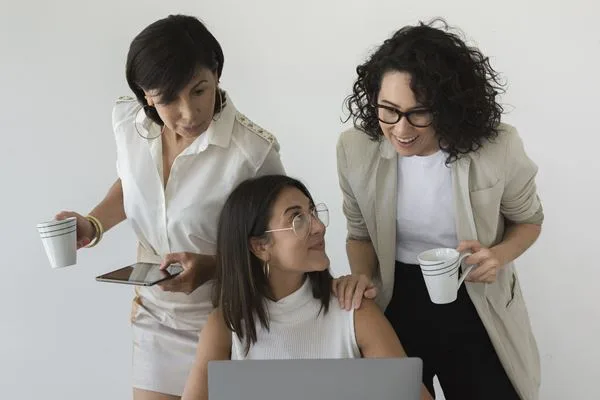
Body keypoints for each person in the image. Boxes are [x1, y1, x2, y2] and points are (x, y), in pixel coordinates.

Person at [55, 15, 285, 400]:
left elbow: (279, 248)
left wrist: (211, 267)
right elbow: (134, 182)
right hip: (155, 316)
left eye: (199, 90)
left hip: (230, 319)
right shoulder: (127, 122)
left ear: (217, 73)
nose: (189, 113)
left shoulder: (254, 153)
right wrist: (93, 224)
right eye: (167, 99)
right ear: (146, 95)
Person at [334, 19, 543, 400]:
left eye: (419, 113)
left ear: (449, 106)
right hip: (396, 296)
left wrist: (496, 256)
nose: (401, 129)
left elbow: (528, 221)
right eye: (389, 111)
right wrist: (363, 276)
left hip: (475, 294)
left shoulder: (497, 148)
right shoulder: (355, 150)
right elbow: (359, 234)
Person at [181, 175, 433, 400]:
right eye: (297, 219)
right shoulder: (226, 326)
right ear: (260, 246)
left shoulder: (354, 311)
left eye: (312, 213)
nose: (319, 227)